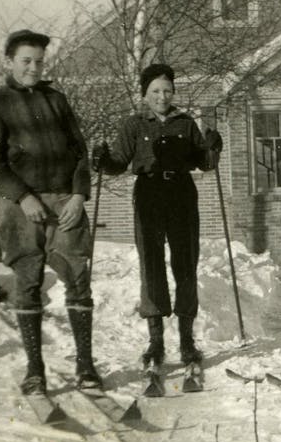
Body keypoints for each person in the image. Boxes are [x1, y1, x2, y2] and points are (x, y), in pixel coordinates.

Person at [0, 29, 100, 393]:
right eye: (26, 61)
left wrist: (79, 196)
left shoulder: (57, 101)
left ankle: (86, 366)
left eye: (39, 62)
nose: (33, 68)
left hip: (66, 204)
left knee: (78, 281)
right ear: (9, 62)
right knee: (28, 284)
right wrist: (23, 196)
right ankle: (35, 370)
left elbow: (81, 152)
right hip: (21, 207)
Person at [92, 63, 222, 373]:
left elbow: (203, 163)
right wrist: (102, 160)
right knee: (151, 264)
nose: (161, 96)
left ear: (173, 92)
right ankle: (156, 341)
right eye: (155, 91)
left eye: (167, 90)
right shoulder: (133, 125)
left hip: (181, 193)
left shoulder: (186, 123)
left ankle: (187, 341)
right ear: (145, 94)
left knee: (185, 263)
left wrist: (213, 148)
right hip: (149, 194)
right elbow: (119, 163)